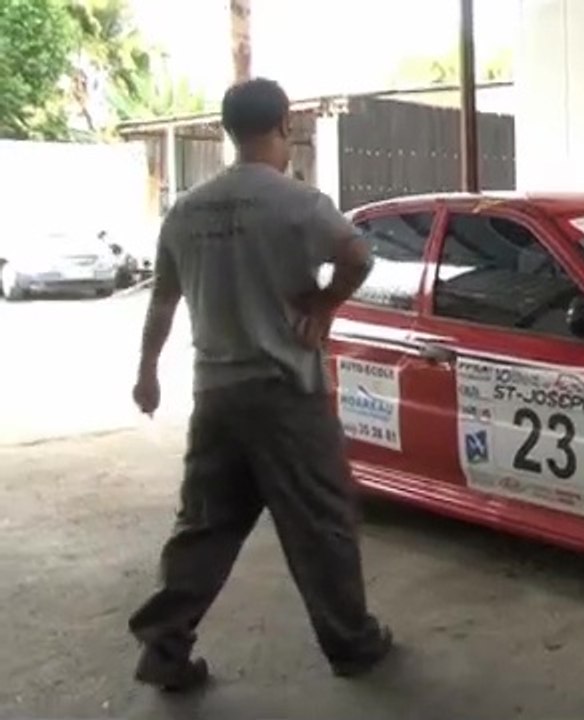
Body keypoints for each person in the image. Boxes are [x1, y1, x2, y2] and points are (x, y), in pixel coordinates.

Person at [126, 77, 392, 692]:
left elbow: (163, 301)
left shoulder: (187, 210)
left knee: (205, 526)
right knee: (321, 523)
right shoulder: (298, 202)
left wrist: (146, 373)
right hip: (284, 396)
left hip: (216, 396)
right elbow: (358, 255)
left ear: (226, 131)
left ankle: (164, 648)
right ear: (283, 128)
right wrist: (325, 304)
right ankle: (352, 644)